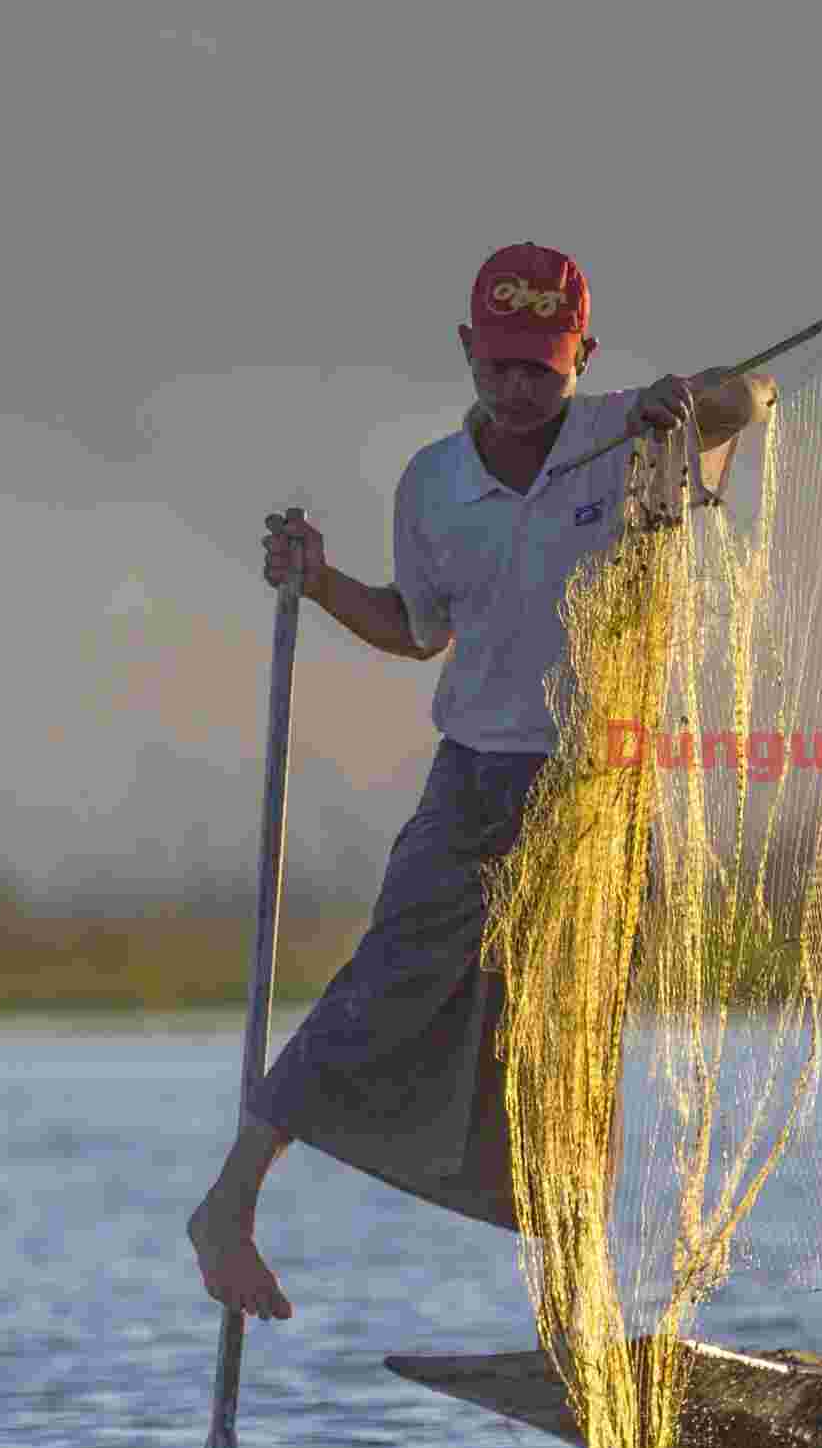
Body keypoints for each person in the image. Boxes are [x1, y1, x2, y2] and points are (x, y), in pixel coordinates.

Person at [188, 242, 776, 1321]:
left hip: (599, 787)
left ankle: (578, 1302)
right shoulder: (432, 485)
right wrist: (317, 584)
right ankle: (229, 1205)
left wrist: (686, 398)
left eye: (541, 370)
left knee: (569, 1034)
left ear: (580, 358)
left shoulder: (626, 437)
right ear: (468, 352)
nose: (518, 390)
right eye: (499, 366)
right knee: (388, 982)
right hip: (478, 777)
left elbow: (753, 396)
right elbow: (416, 633)